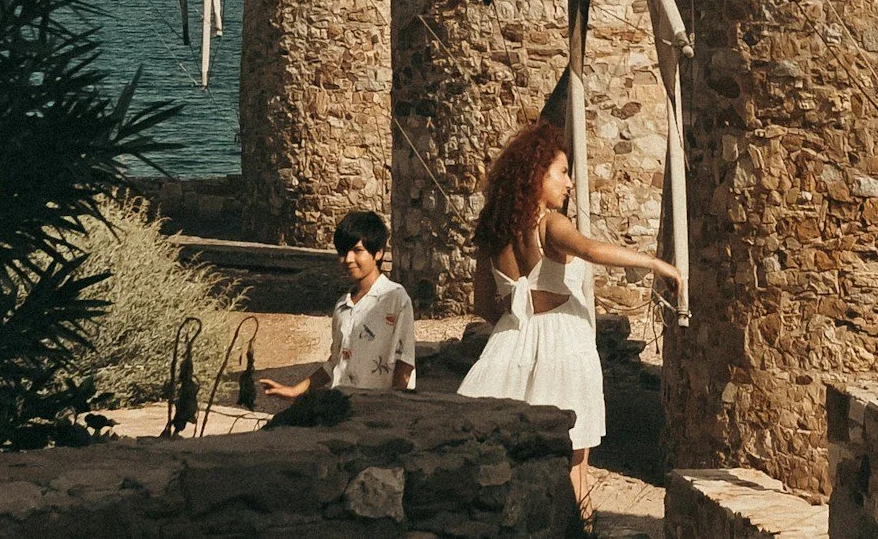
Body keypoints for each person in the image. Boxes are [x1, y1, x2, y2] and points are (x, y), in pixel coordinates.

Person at [459, 120, 680, 512]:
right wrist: (658, 263)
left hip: (511, 341)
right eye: (562, 172)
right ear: (536, 176)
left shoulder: (494, 232)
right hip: (564, 345)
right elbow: (593, 250)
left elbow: (483, 306)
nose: (569, 183)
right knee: (575, 463)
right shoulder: (549, 224)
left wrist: (518, 330)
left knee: (508, 455)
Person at [261, 208, 416, 401]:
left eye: (357, 251)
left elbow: (405, 362)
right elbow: (335, 362)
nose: (348, 259)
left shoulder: (395, 298)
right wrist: (294, 391)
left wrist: (391, 409)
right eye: (343, 252)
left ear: (378, 253)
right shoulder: (343, 305)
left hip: (376, 411)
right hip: (342, 406)